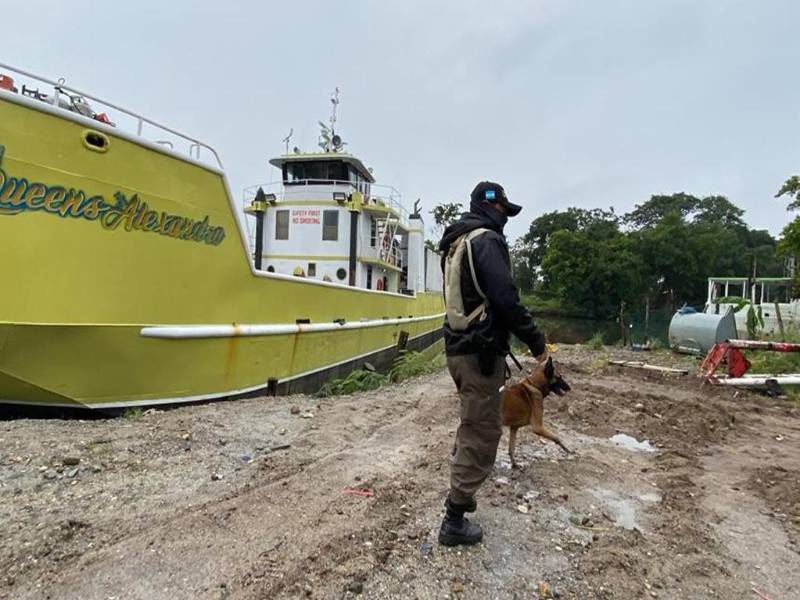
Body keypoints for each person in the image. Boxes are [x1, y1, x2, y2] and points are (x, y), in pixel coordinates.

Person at [437, 181, 547, 546]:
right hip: (479, 354)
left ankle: (462, 495)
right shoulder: (486, 241)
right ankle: (453, 519)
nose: (505, 218)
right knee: (483, 431)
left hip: (458, 349)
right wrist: (536, 343)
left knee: (472, 423)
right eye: (503, 210)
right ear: (490, 206)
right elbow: (505, 298)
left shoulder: (455, 242)